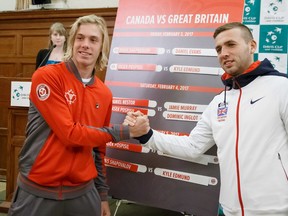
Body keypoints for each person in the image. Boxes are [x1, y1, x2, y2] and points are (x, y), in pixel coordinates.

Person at [125, 22, 288, 216]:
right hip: (230, 210)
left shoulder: (281, 87)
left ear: (252, 46)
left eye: (231, 44)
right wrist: (147, 135)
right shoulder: (219, 102)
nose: (223, 53)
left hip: (277, 209)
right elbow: (193, 147)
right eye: (219, 48)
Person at [8, 14, 149, 216]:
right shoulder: (47, 76)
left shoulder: (104, 93)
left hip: (83, 194)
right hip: (37, 192)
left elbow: (98, 151)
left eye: (93, 40)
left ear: (102, 47)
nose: (85, 45)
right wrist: (125, 131)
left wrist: (102, 195)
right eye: (80, 38)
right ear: (71, 42)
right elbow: (70, 134)